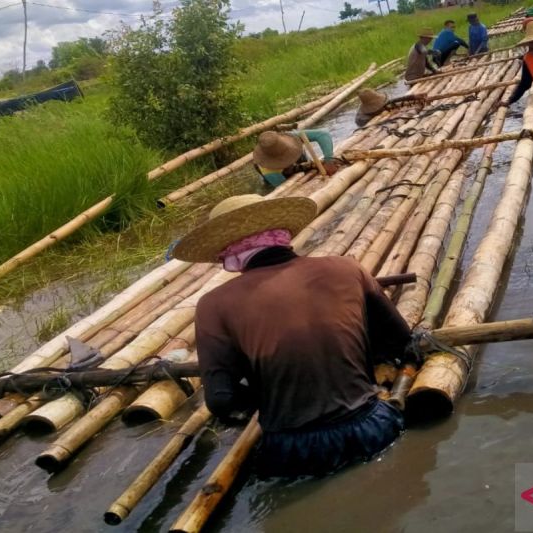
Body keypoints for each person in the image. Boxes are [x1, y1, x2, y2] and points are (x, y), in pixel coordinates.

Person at [172, 194, 413, 477]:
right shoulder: (347, 267)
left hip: (291, 452)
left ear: (228, 252)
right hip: (372, 428)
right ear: (282, 235)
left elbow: (221, 400)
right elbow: (401, 339)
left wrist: (271, 396)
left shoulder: (214, 304)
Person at [252, 130, 339, 188]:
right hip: (286, 177)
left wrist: (328, 160)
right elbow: (286, 191)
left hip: (302, 164)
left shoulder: (291, 138)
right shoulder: (269, 170)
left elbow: (323, 134)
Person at [354, 88, 426, 127]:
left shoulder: (377, 106)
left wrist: (412, 97)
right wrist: (383, 115)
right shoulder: (361, 119)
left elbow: (391, 101)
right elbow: (368, 125)